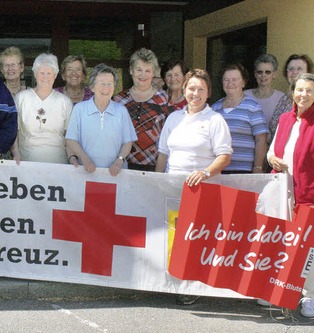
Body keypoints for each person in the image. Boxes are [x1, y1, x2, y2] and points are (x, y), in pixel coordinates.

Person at [156, 69, 232, 305]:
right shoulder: (173, 118)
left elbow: (224, 156)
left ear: (208, 92)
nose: (195, 93)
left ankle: (193, 285)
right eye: (191, 88)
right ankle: (175, 281)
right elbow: (163, 154)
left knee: (197, 238)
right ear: (184, 89)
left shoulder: (215, 120)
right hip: (173, 188)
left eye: (201, 89)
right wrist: (157, 180)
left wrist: (205, 172)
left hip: (202, 190)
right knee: (175, 236)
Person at [267, 73, 314, 318]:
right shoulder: (285, 119)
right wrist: (271, 158)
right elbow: (272, 152)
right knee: (282, 247)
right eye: (299, 90)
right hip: (282, 194)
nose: (303, 94)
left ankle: (311, 296)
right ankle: (285, 292)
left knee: (309, 251)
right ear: (292, 92)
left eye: (309, 91)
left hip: (309, 197)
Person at [65, 63, 137, 176]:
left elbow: (128, 142)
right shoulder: (79, 109)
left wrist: (120, 160)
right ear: (92, 87)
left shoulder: (121, 110)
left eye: (110, 84)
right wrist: (85, 159)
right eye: (102, 84)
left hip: (115, 174)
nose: (106, 88)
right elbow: (71, 140)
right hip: (86, 172)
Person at [113, 48, 172, 171]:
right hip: (122, 165)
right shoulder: (119, 99)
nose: (143, 75)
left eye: (148, 71)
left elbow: (169, 135)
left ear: (153, 73)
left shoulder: (164, 98)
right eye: (139, 70)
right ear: (131, 70)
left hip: (155, 166)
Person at [13, 53, 73, 163]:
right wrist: (15, 154)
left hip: (58, 164)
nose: (45, 77)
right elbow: (13, 131)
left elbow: (69, 137)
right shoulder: (21, 98)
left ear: (55, 75)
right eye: (42, 73)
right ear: (35, 74)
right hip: (26, 162)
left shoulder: (65, 102)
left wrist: (72, 158)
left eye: (49, 73)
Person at [211, 63, 268, 173]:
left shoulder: (253, 106)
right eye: (226, 80)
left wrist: (258, 167)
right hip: (218, 171)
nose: (230, 83)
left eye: (234, 79)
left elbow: (261, 139)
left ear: (243, 82)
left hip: (244, 171)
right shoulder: (214, 108)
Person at [268, 54, 314, 141]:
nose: (294, 72)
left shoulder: (311, 99)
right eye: (291, 69)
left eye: (299, 69)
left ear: (308, 73)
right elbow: (273, 127)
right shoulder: (285, 98)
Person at [244, 54, 284, 128]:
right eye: (260, 72)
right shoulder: (244, 96)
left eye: (267, 72)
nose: (263, 75)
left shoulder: (282, 98)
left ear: (274, 74)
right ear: (255, 74)